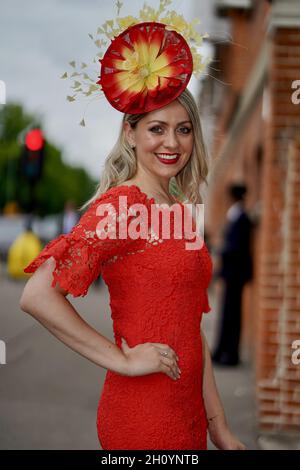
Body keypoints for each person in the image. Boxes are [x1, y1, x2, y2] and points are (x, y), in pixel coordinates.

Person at [20, 2, 245, 450]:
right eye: (157, 129)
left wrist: (218, 424)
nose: (172, 143)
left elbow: (190, 325)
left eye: (183, 130)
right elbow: (38, 294)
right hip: (141, 416)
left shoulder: (180, 211)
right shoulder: (122, 206)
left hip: (188, 416)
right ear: (131, 133)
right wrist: (121, 360)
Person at [212, 184, 253, 366]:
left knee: (232, 315)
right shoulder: (235, 214)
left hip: (236, 274)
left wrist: (221, 250)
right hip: (231, 273)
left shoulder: (242, 216)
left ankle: (230, 355)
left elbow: (237, 247)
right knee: (227, 314)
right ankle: (221, 350)